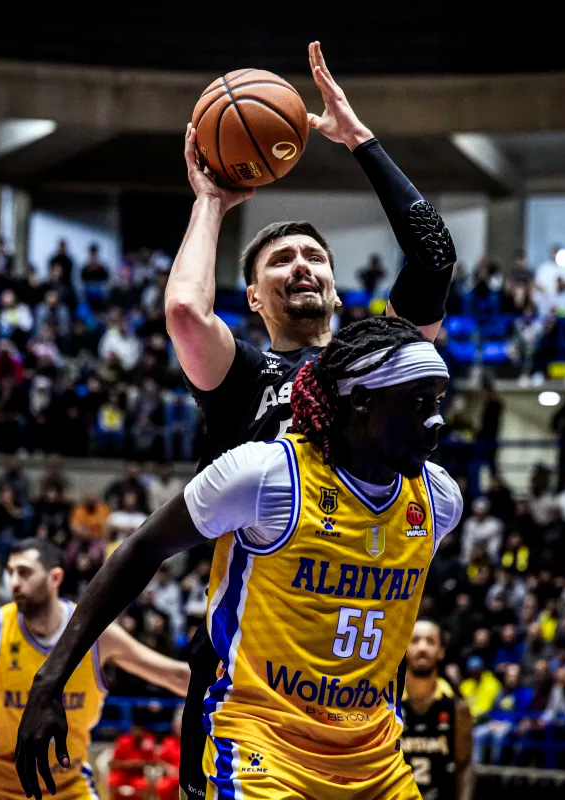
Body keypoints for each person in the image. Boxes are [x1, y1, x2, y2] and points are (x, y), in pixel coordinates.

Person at [164, 42, 456, 800]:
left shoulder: (378, 359)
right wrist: (210, 201)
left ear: (333, 284)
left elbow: (432, 258)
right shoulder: (241, 377)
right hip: (248, 678)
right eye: (279, 259)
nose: (301, 265)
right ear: (254, 298)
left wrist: (359, 140)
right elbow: (185, 311)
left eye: (314, 256)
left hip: (356, 682)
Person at [16, 317, 463, 800]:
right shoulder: (266, 474)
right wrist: (49, 680)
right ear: (362, 401)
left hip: (374, 759)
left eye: (437, 402)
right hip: (263, 748)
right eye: (418, 403)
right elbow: (143, 548)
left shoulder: (439, 500)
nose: (436, 420)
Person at [0, 539, 189, 800]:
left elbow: (174, 675)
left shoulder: (96, 634)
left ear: (55, 577)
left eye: (24, 572)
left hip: (66, 786)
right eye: (11, 573)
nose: (14, 582)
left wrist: (214, 683)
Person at [401, 619, 474, 800]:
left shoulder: (457, 706)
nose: (422, 648)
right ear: (404, 648)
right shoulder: (386, 702)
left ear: (441, 651)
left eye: (430, 641)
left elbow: (465, 766)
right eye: (415, 640)